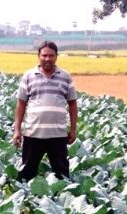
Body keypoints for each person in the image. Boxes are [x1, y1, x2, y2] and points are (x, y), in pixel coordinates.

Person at [12, 40, 78, 181]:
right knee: (27, 173)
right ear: (39, 56)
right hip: (33, 133)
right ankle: (26, 201)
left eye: (51, 55)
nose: (47, 59)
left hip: (58, 134)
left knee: (62, 174)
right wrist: (17, 130)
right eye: (44, 55)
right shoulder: (29, 76)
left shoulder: (65, 77)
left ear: (56, 56)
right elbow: (21, 103)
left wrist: (73, 129)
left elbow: (72, 104)